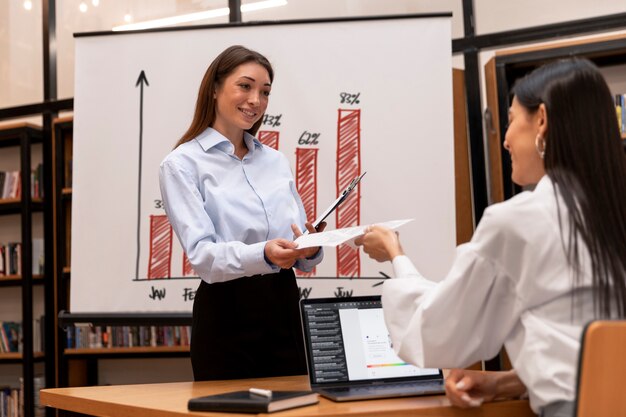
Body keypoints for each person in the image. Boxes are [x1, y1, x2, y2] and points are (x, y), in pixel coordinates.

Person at [355, 58, 626, 417]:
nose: (507, 140)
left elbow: (440, 331)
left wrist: (396, 254)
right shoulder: (613, 215)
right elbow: (591, 351)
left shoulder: (518, 221)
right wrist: (506, 383)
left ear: (541, 120)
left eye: (511, 120)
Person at [159, 45, 324, 381]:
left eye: (264, 92)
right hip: (227, 313)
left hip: (284, 307)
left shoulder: (275, 161)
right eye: (245, 86)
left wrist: (310, 248)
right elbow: (203, 256)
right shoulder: (181, 164)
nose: (256, 101)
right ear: (215, 88)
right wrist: (264, 253)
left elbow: (299, 245)